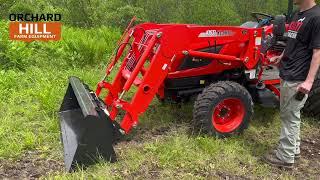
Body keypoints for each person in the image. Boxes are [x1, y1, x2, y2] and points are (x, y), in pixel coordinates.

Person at [263, 0, 320, 169]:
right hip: (288, 71)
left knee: (289, 116)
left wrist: (309, 81)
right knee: (291, 114)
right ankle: (293, 150)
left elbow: (317, 52)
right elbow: (293, 42)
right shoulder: (298, 15)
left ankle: (285, 157)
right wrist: (281, 57)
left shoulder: (316, 17)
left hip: (298, 77)